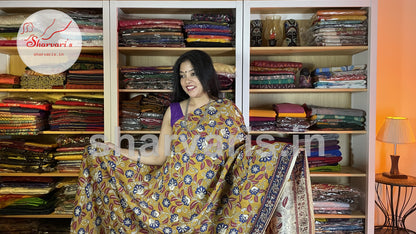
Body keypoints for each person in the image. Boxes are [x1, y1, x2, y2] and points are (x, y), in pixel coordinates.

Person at [70, 50, 314, 233]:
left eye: (193, 73)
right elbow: (159, 156)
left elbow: (240, 155)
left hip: (211, 200)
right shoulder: (174, 111)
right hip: (168, 197)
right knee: (97, 154)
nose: (187, 80)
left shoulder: (227, 110)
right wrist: (118, 151)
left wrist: (275, 153)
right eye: (182, 75)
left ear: (206, 74)